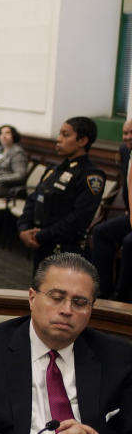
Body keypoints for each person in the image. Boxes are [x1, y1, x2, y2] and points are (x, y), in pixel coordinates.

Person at [0, 253, 132, 434]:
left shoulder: (117, 356)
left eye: (79, 302)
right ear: (32, 298)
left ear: (91, 309)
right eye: (56, 298)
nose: (67, 310)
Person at [18, 117, 106, 272]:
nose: (58, 139)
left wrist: (41, 236)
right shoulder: (54, 170)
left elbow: (79, 217)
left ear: (82, 140)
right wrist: (24, 228)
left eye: (65, 135)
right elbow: (34, 199)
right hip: (41, 245)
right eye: (59, 134)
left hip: (65, 250)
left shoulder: (90, 175)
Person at [90, 118, 132, 302]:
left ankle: (121, 298)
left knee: (129, 242)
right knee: (100, 232)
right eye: (125, 133)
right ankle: (103, 290)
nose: (128, 137)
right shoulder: (124, 150)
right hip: (130, 214)